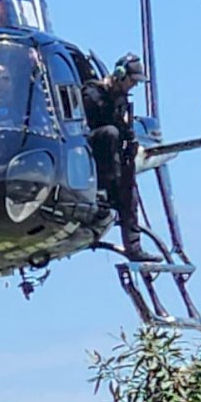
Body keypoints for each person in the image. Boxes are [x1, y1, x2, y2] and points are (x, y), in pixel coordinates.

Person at [82, 52, 156, 262]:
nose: (133, 86)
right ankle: (107, 191)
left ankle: (134, 247)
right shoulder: (93, 92)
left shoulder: (120, 100)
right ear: (121, 75)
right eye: (132, 81)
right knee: (110, 134)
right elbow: (95, 122)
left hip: (111, 155)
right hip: (87, 151)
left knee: (129, 191)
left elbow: (121, 128)